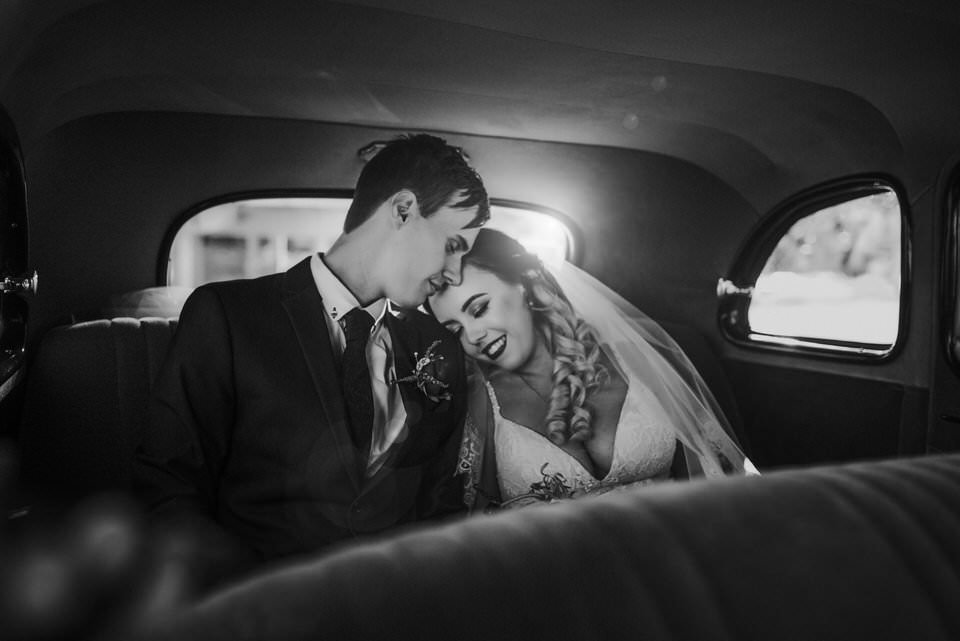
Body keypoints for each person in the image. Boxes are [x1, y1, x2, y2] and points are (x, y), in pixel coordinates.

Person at [134, 134, 490, 590]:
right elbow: (169, 487)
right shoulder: (229, 315)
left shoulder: (437, 346)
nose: (456, 272)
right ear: (403, 210)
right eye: (454, 244)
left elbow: (442, 507)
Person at [427, 228, 757, 511]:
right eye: (455, 329)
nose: (472, 336)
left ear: (526, 286)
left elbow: (704, 477)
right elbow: (481, 518)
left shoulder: (639, 361)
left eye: (480, 309)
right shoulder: (480, 401)